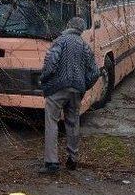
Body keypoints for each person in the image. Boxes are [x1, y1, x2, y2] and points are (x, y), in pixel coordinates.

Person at [38, 17, 100, 174]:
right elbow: (95, 72)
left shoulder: (60, 41)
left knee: (52, 121)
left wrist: (44, 79)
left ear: (68, 26)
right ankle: (73, 159)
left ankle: (52, 163)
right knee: (73, 123)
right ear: (81, 30)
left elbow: (50, 63)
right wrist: (84, 86)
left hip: (57, 88)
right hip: (76, 90)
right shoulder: (84, 46)